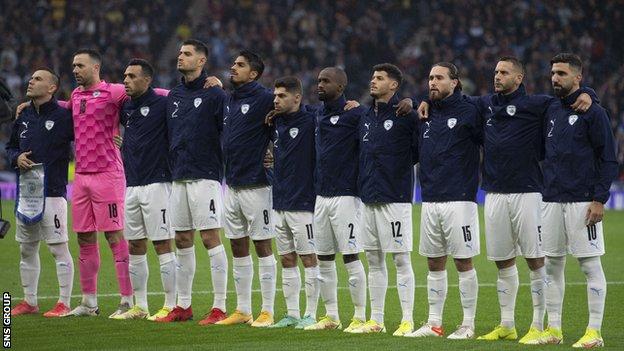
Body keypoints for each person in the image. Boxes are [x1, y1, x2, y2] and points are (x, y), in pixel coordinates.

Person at [418, 56, 594, 343]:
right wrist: (421, 100)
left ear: (519, 78)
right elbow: (448, 99)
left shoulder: (538, 104)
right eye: (495, 72)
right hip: (494, 194)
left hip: (527, 193)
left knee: (536, 260)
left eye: (504, 72)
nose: (497, 76)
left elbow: (567, 97)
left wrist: (589, 93)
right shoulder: (483, 105)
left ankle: (539, 324)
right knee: (503, 262)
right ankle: (507, 324)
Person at [536, 53, 617, 348]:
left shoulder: (593, 112)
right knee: (552, 266)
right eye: (553, 73)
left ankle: (594, 332)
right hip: (552, 199)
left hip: (582, 200)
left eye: (561, 73)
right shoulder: (550, 109)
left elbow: (608, 159)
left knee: (589, 265)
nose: (555, 78)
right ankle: (553, 330)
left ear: (577, 78)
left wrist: (599, 199)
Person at [156, 39, 229, 324]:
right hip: (178, 177)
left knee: (210, 238)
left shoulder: (215, 94)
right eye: (179, 52)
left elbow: (229, 128)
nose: (180, 57)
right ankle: (183, 307)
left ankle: (219, 307)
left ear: (201, 61)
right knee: (182, 238)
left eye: (187, 54)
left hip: (205, 176)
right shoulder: (173, 96)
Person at [407, 63, 481, 339]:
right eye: (430, 78)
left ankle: (468, 324)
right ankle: (434, 323)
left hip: (460, 200)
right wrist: (420, 102)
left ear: (455, 82)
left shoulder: (471, 110)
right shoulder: (425, 115)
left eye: (439, 78)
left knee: (463, 262)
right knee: (434, 262)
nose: (432, 82)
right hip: (429, 200)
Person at [65, 49, 133, 317]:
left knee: (114, 235)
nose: (75, 69)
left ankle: (127, 299)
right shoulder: (74, 95)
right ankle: (88, 303)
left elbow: (150, 98)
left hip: (108, 174)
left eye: (80, 65)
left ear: (95, 68)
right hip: (81, 175)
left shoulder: (114, 92)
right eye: (73, 65)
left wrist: (211, 82)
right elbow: (64, 113)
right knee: (83, 237)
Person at [352, 63, 417, 336]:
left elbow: (416, 152)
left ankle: (407, 319)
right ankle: (376, 319)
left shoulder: (407, 115)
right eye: (372, 76)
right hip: (368, 199)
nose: (373, 81)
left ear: (394, 85)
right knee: (374, 260)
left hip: (395, 199)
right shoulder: (365, 116)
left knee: (401, 260)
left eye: (379, 78)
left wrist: (414, 102)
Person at [109, 59, 176, 321]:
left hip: (158, 183)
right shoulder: (126, 108)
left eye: (131, 76)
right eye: (124, 75)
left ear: (147, 80)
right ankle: (140, 306)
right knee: (135, 244)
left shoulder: (163, 102)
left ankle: (170, 304)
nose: (125, 80)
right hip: (132, 184)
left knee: (162, 243)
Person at [302, 67, 367, 332]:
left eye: (325, 81)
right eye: (318, 80)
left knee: (350, 256)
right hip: (321, 197)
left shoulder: (355, 114)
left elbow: (380, 115)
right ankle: (331, 316)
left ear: (340, 87)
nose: (319, 85)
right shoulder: (317, 115)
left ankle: (360, 316)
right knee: (324, 258)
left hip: (346, 197)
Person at [7, 69, 74, 318]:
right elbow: (11, 146)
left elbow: (85, 136)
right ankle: (30, 301)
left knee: (58, 249)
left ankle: (64, 303)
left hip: (53, 192)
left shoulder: (64, 115)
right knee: (26, 249)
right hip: (26, 193)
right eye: (31, 77)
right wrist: (16, 157)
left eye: (37, 79)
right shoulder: (23, 115)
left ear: (52, 88)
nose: (30, 81)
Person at [266, 76, 319, 330]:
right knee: (287, 259)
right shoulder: (275, 122)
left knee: (309, 259)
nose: (275, 99)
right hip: (280, 202)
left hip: (304, 204)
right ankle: (292, 314)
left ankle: (310, 314)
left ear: (297, 98)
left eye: (281, 96)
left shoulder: (311, 120)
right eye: (275, 95)